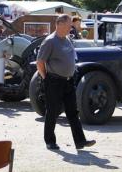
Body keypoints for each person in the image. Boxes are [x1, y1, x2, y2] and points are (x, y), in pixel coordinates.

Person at [36, 14, 95, 151]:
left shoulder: (67, 39)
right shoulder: (50, 41)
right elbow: (40, 62)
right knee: (52, 112)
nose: (71, 28)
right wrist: (46, 77)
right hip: (54, 81)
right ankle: (50, 141)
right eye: (69, 25)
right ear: (60, 24)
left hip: (68, 81)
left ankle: (80, 141)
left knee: (73, 112)